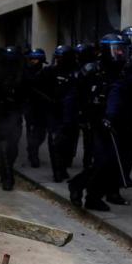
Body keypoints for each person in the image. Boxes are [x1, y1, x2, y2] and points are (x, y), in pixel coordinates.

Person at [68, 34, 130, 210]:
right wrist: (76, 120)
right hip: (95, 122)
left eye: (121, 50)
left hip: (116, 122)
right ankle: (78, 185)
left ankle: (93, 197)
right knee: (102, 161)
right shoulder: (90, 70)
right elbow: (74, 96)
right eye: (115, 50)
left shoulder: (122, 71)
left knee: (110, 163)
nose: (119, 54)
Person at [0, 45, 24, 190]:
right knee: (3, 147)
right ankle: (7, 176)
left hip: (15, 115)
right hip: (0, 116)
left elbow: (27, 94)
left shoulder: (22, 75)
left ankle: (7, 171)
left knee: (13, 148)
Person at [48, 45, 78, 182]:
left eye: (61, 58)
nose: (58, 60)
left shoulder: (77, 73)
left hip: (72, 115)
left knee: (68, 144)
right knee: (55, 143)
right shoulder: (51, 72)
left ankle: (63, 168)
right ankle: (57, 171)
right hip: (55, 113)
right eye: (57, 57)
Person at [22, 48, 50, 168]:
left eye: (35, 59)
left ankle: (32, 149)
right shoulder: (26, 72)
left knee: (42, 133)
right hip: (30, 106)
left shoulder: (46, 72)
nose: (33, 61)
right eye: (31, 59)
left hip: (42, 107)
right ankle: (33, 155)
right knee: (32, 131)